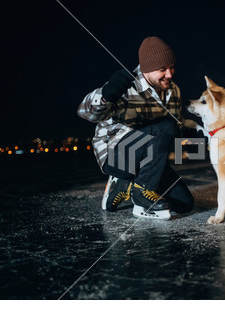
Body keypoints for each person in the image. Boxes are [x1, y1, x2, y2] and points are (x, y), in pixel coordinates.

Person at [78, 36, 196, 219]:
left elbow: (177, 123)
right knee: (166, 126)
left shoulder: (174, 91)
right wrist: (106, 94)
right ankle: (141, 195)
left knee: (185, 204)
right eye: (163, 69)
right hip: (116, 154)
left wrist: (201, 131)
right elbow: (85, 113)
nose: (170, 74)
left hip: (148, 158)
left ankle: (126, 184)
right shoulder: (127, 86)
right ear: (147, 70)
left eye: (172, 67)